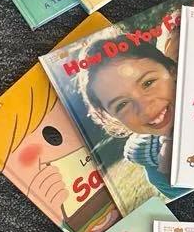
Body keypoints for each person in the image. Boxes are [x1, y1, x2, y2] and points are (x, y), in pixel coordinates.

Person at [77, 36, 185, 199]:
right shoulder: (158, 174)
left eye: (148, 83)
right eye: (122, 104)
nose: (145, 108)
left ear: (172, 70)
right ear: (113, 118)